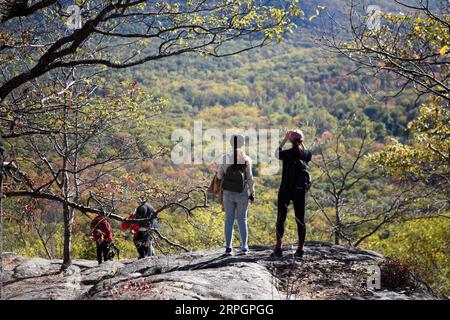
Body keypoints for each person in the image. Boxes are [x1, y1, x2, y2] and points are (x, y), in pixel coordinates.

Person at [271, 130, 312, 258]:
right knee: (300, 220)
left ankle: (278, 248)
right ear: (302, 141)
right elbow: (306, 152)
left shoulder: (287, 154)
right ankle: (300, 250)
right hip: (300, 191)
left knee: (281, 218)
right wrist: (301, 141)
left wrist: (284, 139)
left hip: (286, 190)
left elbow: (276, 153)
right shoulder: (306, 153)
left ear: (290, 140)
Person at [217, 134, 255, 256]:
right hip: (242, 193)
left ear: (230, 143)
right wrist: (252, 193)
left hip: (227, 193)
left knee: (229, 220)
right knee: (242, 220)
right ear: (242, 144)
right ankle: (244, 247)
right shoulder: (247, 159)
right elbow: (250, 178)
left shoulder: (223, 158)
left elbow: (219, 176)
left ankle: (228, 247)